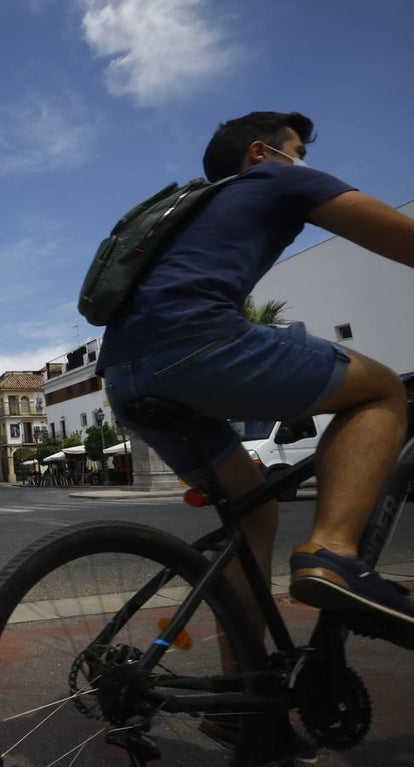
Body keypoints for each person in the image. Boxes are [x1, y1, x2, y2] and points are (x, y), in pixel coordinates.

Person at [96, 111, 414, 757]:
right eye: (296, 150)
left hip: (124, 374)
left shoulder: (193, 208)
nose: (302, 160)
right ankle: (332, 553)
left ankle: (240, 704)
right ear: (263, 151)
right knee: (383, 389)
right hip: (197, 345)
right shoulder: (279, 181)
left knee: (254, 508)